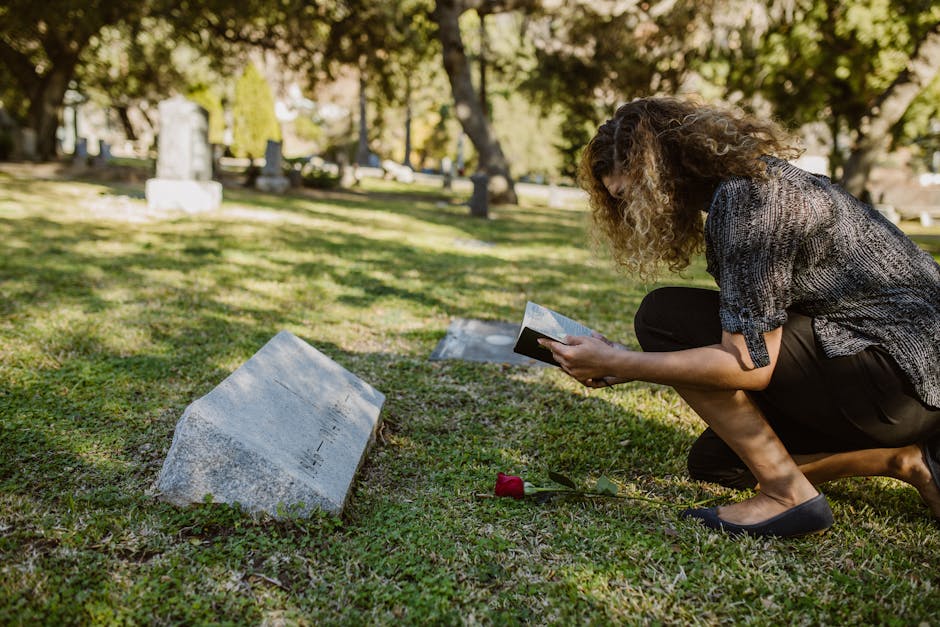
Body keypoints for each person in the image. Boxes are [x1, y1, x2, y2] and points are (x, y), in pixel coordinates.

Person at [539, 97, 940, 538]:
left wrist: (620, 363)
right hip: (906, 390)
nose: (631, 210)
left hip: (901, 381)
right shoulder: (756, 181)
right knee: (719, 465)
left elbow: (750, 364)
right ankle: (908, 460)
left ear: (663, 170)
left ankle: (787, 494)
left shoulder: (747, 202)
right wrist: (619, 361)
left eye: (630, 192)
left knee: (664, 317)